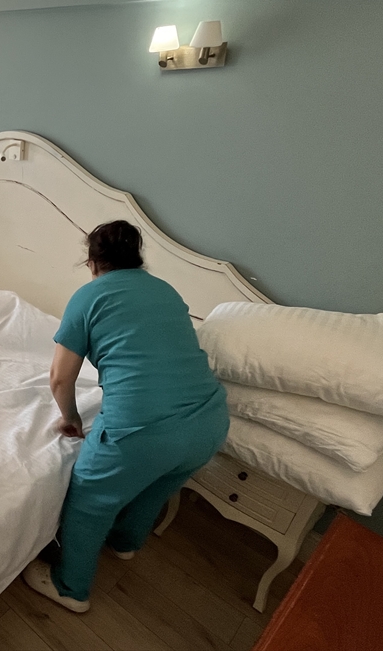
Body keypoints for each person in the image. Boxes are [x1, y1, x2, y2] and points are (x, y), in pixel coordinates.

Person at [21, 220, 229, 613]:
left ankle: (70, 588)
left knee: (88, 501)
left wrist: (71, 419)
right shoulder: (165, 290)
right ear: (137, 258)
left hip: (142, 431)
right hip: (210, 421)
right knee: (155, 487)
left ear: (92, 263)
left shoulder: (88, 296)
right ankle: (125, 543)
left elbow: (60, 378)